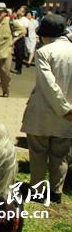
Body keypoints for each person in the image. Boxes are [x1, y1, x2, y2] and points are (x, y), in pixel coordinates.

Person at [21, 14, 72, 204]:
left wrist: (63, 108)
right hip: (69, 116)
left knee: (38, 153)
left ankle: (37, 191)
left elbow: (48, 84)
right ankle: (56, 192)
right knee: (61, 155)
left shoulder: (44, 52)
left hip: (43, 111)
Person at [11, 5, 29, 75]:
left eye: (21, 10)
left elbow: (24, 32)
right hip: (13, 37)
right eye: (19, 9)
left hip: (20, 38)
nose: (19, 11)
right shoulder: (15, 19)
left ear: (24, 13)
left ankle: (19, 69)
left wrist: (16, 39)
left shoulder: (25, 20)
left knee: (19, 54)